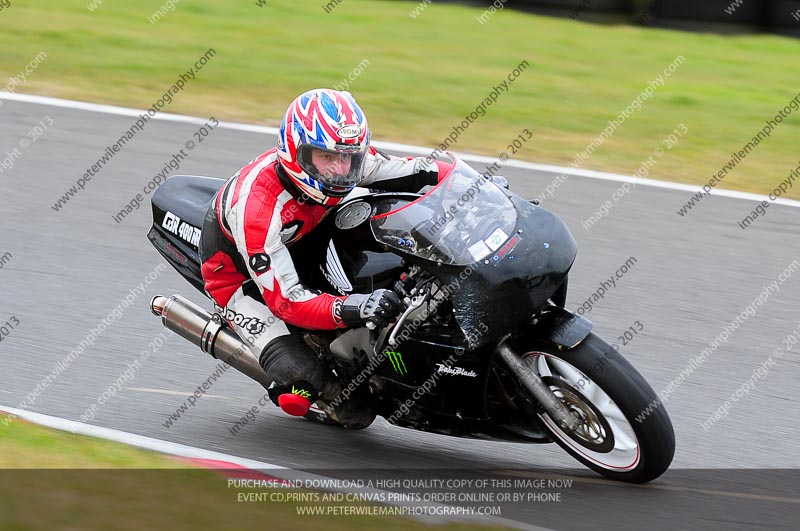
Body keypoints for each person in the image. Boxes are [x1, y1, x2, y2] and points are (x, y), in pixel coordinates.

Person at [199, 88, 455, 428]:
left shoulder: (344, 165)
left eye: (349, 157)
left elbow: (416, 170)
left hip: (307, 234)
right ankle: (321, 389)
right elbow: (287, 301)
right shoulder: (257, 210)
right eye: (327, 157)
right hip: (241, 276)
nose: (340, 169)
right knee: (319, 389)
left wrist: (478, 188)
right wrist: (357, 306)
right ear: (296, 153)